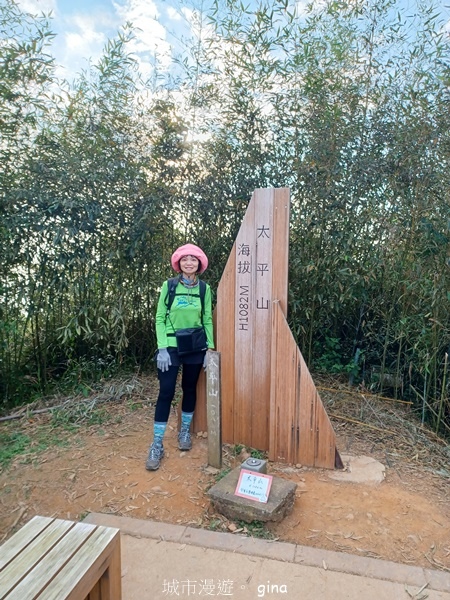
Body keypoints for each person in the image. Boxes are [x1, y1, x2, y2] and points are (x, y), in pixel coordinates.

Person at [146, 243, 214, 471]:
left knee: (190, 388)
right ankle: (157, 443)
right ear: (179, 263)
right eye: (185, 259)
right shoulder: (169, 286)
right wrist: (162, 348)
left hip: (195, 346)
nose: (189, 263)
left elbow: (206, 319)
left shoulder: (204, 289)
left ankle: (184, 431)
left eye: (193, 259)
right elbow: (159, 317)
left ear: (199, 264)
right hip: (171, 346)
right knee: (166, 391)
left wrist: (209, 349)